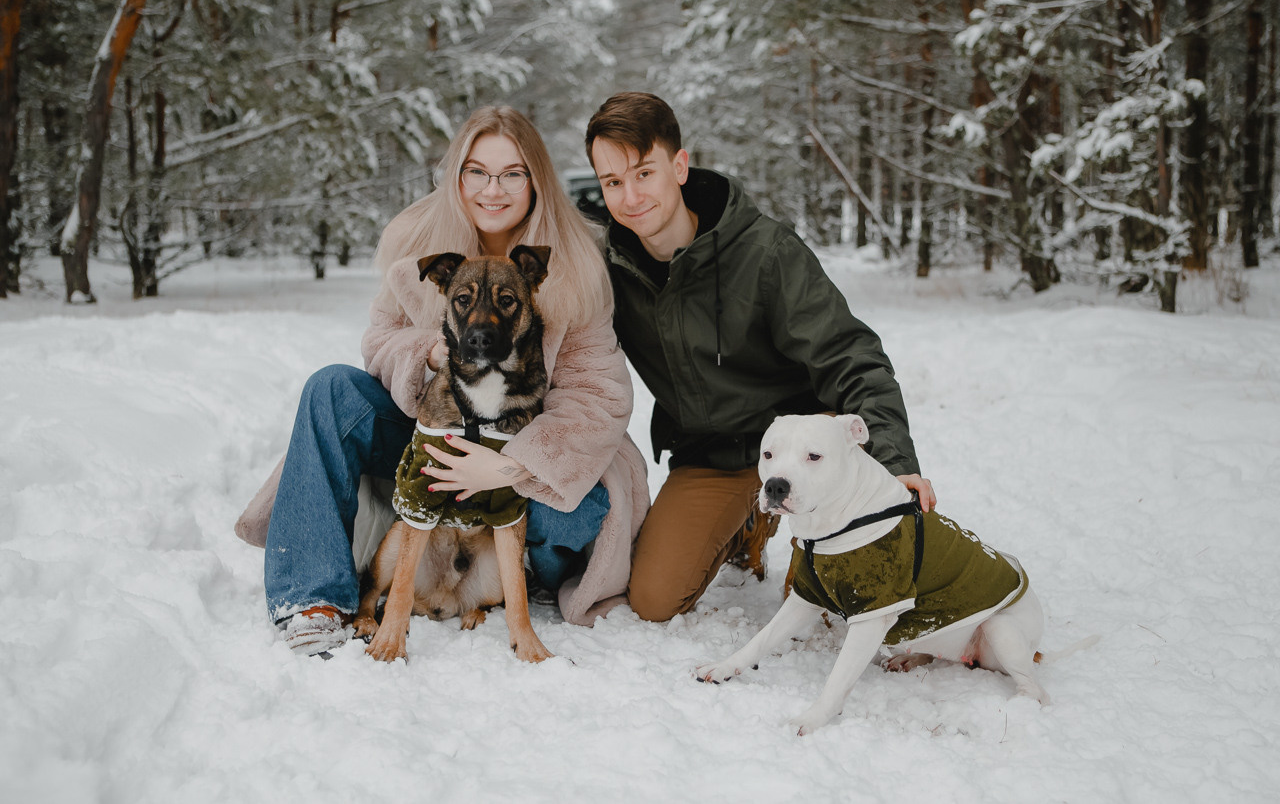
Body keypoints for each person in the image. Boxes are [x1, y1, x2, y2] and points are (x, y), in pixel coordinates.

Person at [236, 105, 650, 654]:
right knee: (331, 388)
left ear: (536, 180)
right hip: (428, 436)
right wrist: (432, 352)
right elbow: (378, 342)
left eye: (511, 174)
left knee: (584, 510)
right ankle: (312, 598)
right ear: (456, 174)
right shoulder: (418, 239)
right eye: (476, 171)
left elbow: (599, 398)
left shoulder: (573, 263)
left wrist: (510, 465)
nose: (491, 189)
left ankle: (511, 569)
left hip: (523, 445)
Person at [583, 92, 935, 623]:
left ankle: (804, 522)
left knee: (835, 599)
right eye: (612, 182)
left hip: (801, 442)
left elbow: (851, 356)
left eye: (643, 173)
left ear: (679, 167)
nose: (630, 197)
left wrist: (895, 465)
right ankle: (747, 522)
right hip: (709, 453)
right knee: (653, 601)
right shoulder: (607, 271)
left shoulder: (766, 251)